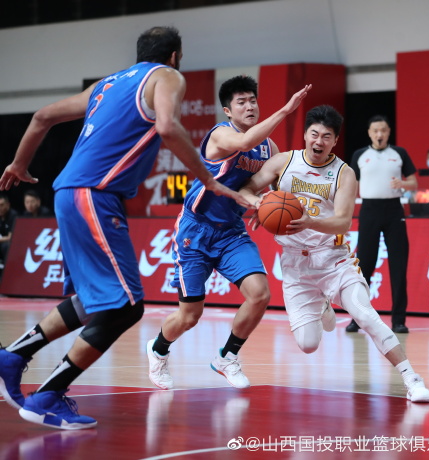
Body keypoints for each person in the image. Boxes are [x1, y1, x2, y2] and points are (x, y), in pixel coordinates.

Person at [0, 26, 250, 430]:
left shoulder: (105, 85)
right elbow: (167, 126)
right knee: (126, 307)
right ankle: (47, 395)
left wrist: (18, 164)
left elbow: (42, 116)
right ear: (174, 56)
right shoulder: (167, 76)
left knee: (95, 300)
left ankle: (12, 357)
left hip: (69, 192)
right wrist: (209, 179)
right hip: (94, 194)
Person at [238, 105, 429, 403]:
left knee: (366, 316)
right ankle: (323, 305)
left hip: (333, 259)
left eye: (326, 136)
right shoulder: (283, 162)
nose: (319, 141)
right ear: (305, 135)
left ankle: (412, 379)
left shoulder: (344, 173)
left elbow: (342, 221)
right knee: (307, 344)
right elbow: (247, 188)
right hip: (295, 265)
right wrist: (260, 205)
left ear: (335, 141)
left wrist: (310, 222)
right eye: (314, 134)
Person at [146, 76, 311, 391]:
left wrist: (268, 204)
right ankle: (158, 349)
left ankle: (227, 356)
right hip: (196, 230)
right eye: (242, 102)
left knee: (260, 294)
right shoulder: (221, 134)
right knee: (189, 316)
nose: (250, 107)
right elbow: (244, 143)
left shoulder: (270, 148)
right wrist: (286, 111)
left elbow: (272, 186)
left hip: (231, 233)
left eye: (253, 100)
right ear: (228, 110)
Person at [346, 115, 417, 334]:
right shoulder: (360, 155)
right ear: (369, 133)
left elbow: (414, 183)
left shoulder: (399, 153)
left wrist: (402, 183)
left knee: (398, 265)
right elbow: (351, 187)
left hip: (394, 210)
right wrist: (345, 214)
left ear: (388, 132)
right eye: (375, 130)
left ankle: (399, 320)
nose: (380, 134)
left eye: (383, 130)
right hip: (369, 210)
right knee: (364, 265)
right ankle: (357, 318)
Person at [0, 194, 18, 270]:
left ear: (8, 205)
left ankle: (8, 267)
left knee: (6, 246)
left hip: (14, 243)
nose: (0, 208)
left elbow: (11, 237)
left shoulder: (13, 215)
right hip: (2, 241)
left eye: (2, 205)